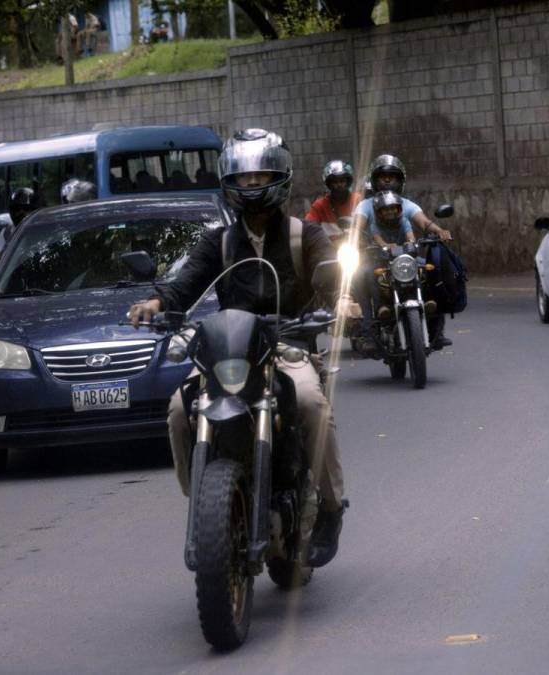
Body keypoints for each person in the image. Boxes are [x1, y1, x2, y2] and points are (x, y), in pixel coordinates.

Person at [128, 128, 352, 568]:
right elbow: (186, 282)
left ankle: (330, 507)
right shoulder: (220, 241)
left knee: (310, 404)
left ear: (280, 177)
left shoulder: (302, 234)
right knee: (178, 408)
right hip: (232, 351)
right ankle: (205, 507)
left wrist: (343, 296)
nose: (251, 186)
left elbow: (329, 270)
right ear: (229, 181)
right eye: (243, 178)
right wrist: (157, 302)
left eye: (260, 176)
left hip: (289, 346)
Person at [353, 154, 453, 349]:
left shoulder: (406, 205)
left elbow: (423, 222)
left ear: (400, 181)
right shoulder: (365, 206)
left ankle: (436, 328)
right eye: (383, 176)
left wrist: (439, 231)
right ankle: (368, 333)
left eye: (393, 176)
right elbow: (357, 227)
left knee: (433, 272)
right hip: (376, 258)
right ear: (374, 181)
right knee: (361, 276)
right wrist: (354, 237)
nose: (388, 179)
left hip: (407, 259)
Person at [304, 160, 362, 244]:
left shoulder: (358, 199)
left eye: (342, 181)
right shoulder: (320, 205)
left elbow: (370, 224)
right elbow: (308, 227)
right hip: (329, 250)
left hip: (357, 248)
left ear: (348, 182)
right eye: (335, 182)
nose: (339, 185)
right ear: (329, 185)